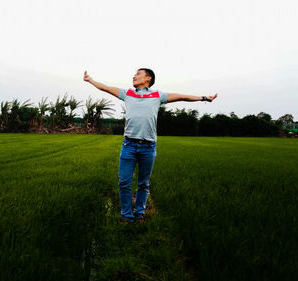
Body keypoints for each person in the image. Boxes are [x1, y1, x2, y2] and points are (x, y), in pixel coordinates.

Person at [84, 68, 217, 223]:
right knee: (124, 182)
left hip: (148, 147)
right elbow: (105, 87)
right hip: (129, 145)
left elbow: (182, 96)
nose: (134, 76)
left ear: (148, 78)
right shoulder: (128, 93)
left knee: (143, 184)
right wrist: (90, 80)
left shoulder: (157, 95)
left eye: (138, 74)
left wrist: (204, 98)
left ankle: (139, 214)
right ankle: (127, 216)